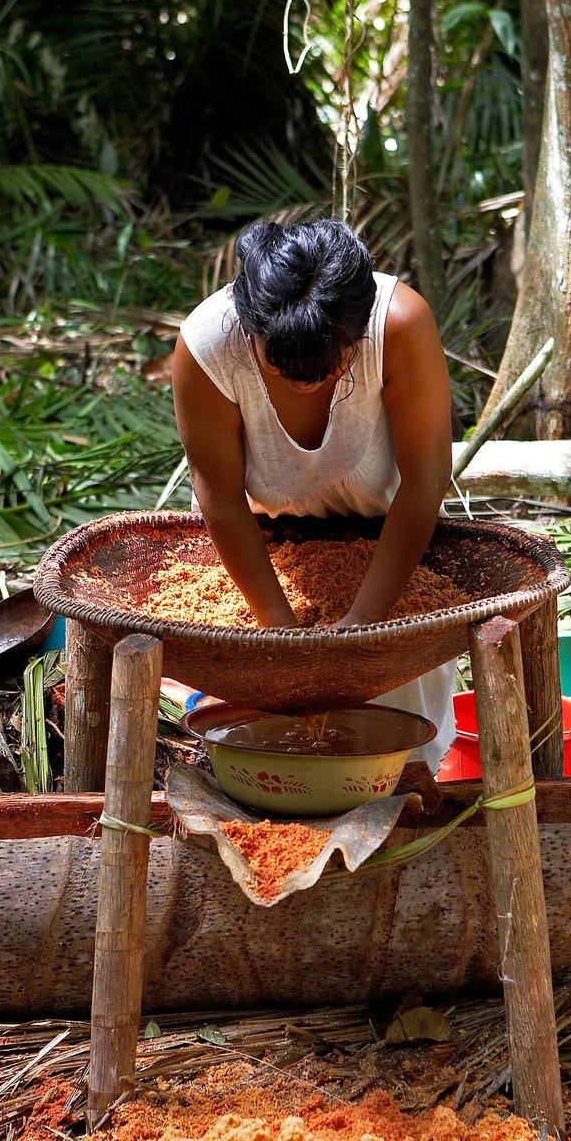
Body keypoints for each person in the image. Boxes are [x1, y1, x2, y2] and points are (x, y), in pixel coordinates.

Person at [167, 218, 456, 768]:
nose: (307, 383)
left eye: (331, 366)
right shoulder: (208, 346)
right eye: (282, 365)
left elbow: (424, 484)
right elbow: (222, 501)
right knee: (269, 741)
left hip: (390, 537)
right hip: (263, 547)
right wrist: (280, 633)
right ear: (249, 328)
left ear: (360, 333)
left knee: (400, 750)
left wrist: (361, 627)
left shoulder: (399, 324)